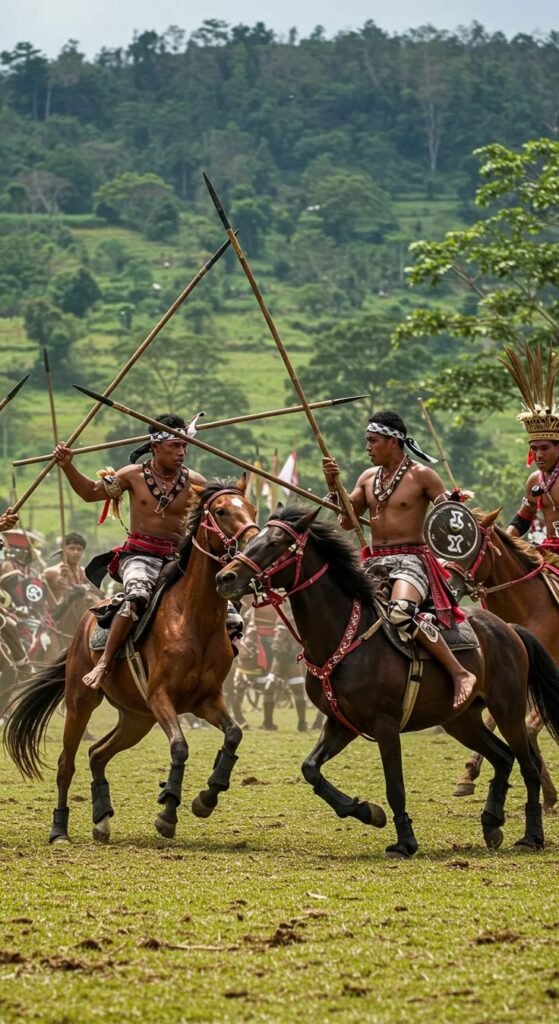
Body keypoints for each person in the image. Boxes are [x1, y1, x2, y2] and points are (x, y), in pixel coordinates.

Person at [322, 410, 476, 709]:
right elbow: (347, 522)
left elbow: (449, 520)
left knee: (401, 612)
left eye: (373, 441)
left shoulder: (422, 476)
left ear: (393, 441)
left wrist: (455, 512)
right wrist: (332, 485)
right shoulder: (367, 478)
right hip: (373, 562)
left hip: (411, 560)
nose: (367, 447)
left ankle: (460, 673)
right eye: (367, 441)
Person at [53, 413, 206, 689]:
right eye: (174, 446)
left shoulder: (197, 482)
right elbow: (90, 492)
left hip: (178, 558)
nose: (181, 452)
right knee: (136, 596)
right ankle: (104, 663)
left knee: (226, 609)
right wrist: (67, 466)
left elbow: (225, 507)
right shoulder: (131, 476)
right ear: (155, 447)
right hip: (140, 555)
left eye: (184, 446)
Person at [43, 533, 90, 602]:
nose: (76, 552)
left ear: (83, 552)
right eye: (71, 548)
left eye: (79, 549)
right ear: (63, 551)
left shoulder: (85, 573)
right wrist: (58, 581)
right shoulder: (51, 572)